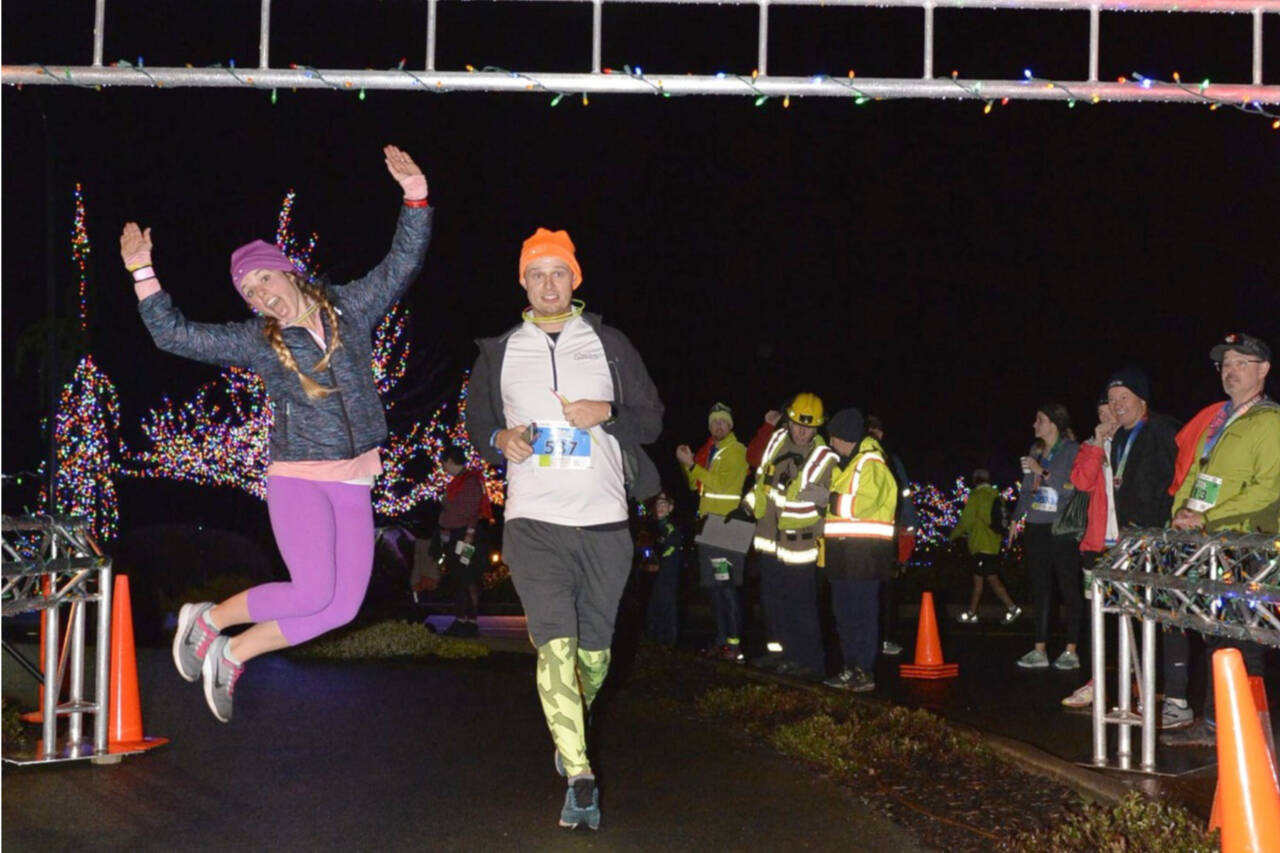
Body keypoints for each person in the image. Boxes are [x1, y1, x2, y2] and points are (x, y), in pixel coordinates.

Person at [131, 146, 432, 723]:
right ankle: (209, 618)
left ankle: (232, 653)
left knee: (340, 608)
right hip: (298, 477)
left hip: (354, 478)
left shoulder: (351, 309)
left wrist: (415, 197)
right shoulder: (257, 342)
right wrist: (143, 273)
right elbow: (177, 336)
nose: (261, 295)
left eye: (264, 279)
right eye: (249, 292)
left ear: (288, 270)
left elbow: (401, 263)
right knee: (312, 591)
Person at [465, 226, 663, 829]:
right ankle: (580, 777)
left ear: (574, 279)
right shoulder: (499, 351)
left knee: (594, 657)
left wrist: (609, 412)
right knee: (554, 644)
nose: (547, 284)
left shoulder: (609, 343)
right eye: (536, 274)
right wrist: (500, 438)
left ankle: (569, 725)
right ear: (522, 283)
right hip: (534, 522)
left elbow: (651, 420)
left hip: (604, 523)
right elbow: (477, 425)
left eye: (558, 273)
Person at [1162, 332, 1279, 747]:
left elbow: (1269, 489)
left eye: (1241, 363)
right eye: (1225, 364)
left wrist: (1208, 516)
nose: (1230, 371)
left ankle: (1247, 735)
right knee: (1217, 634)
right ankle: (1217, 724)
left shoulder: (1270, 421)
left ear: (1264, 370)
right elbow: (1196, 474)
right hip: (1209, 543)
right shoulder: (1219, 420)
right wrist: (1180, 513)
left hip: (1246, 546)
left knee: (1244, 639)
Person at [743, 392, 838, 679]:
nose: (802, 432)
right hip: (769, 538)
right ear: (789, 420)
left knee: (801, 604)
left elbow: (824, 505)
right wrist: (749, 504)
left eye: (809, 427)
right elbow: (760, 475)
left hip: (799, 545)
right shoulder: (776, 440)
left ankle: (807, 660)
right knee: (772, 601)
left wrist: (824, 500)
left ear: (818, 427)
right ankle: (779, 654)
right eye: (798, 424)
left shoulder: (824, 458)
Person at [820, 409, 897, 692]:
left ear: (845, 437)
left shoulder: (871, 462)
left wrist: (827, 499)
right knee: (845, 613)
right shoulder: (847, 463)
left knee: (861, 613)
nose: (830, 442)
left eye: (833, 437)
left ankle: (863, 670)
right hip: (844, 552)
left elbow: (861, 505)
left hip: (864, 553)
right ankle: (850, 667)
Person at [1011, 403, 1083, 670]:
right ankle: (1039, 649)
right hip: (1036, 525)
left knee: (1068, 587)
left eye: (1039, 420)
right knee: (1040, 588)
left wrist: (1041, 471)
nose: (1034, 425)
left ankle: (1071, 650)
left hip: (1062, 527)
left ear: (1054, 424)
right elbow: (1027, 489)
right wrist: (1016, 518)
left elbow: (1070, 488)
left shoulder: (1073, 450)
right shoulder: (1035, 451)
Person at [676, 402, 750, 661]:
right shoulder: (710, 451)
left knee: (726, 587)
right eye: (714, 422)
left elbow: (722, 484)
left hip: (727, 527)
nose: (718, 425)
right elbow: (695, 485)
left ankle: (734, 644)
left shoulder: (737, 450)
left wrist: (692, 466)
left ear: (730, 426)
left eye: (723, 421)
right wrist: (687, 465)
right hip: (710, 527)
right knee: (715, 588)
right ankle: (722, 640)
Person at [1060, 397, 1120, 709]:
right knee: (1094, 615)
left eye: (1111, 411)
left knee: (1129, 618)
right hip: (1096, 545)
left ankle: (1130, 682)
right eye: (1100, 413)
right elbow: (1081, 481)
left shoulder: (1132, 444)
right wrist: (1098, 443)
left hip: (1127, 544)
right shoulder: (1088, 448)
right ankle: (1094, 681)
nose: (1106, 417)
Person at [865, 415, 917, 656]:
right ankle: (880, 638)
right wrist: (909, 526)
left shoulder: (888, 461)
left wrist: (908, 527)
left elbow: (904, 496)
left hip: (879, 534)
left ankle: (879, 638)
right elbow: (904, 495)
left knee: (878, 589)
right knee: (880, 589)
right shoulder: (886, 460)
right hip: (880, 534)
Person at [949, 469, 1020, 624]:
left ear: (975, 480)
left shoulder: (976, 496)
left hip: (981, 543)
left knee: (991, 578)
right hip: (993, 544)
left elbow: (966, 521)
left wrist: (952, 535)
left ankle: (1012, 608)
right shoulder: (997, 496)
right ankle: (972, 612)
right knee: (979, 579)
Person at [438, 445, 493, 637]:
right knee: (461, 578)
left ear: (450, 461)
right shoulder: (461, 482)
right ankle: (464, 619)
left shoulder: (469, 481)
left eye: (444, 464)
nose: (444, 468)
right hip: (459, 535)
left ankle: (467, 621)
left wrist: (469, 535)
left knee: (466, 578)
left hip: (467, 537)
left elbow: (473, 511)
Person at [642, 491, 683, 647]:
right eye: (658, 503)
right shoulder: (650, 526)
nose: (660, 507)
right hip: (652, 574)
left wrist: (657, 557)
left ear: (670, 508)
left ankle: (667, 640)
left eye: (664, 504)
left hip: (666, 574)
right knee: (652, 605)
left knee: (666, 605)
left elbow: (670, 548)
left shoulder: (670, 528)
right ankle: (653, 638)